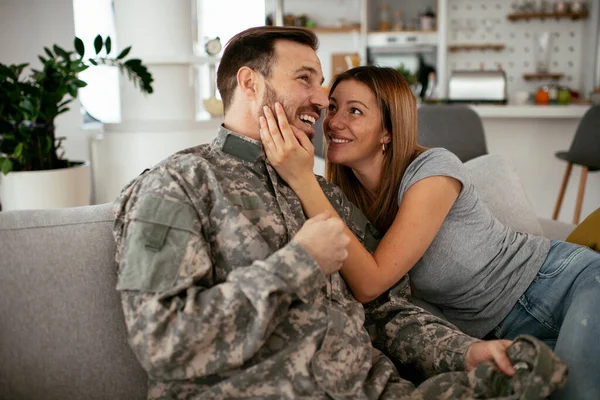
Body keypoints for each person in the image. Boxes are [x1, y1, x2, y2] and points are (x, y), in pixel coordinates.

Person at [113, 28, 566, 399]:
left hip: (374, 390)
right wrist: (299, 262)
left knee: (532, 374)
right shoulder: (180, 183)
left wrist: (465, 352)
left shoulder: (325, 195)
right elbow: (163, 343)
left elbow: (387, 310)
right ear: (250, 83)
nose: (322, 98)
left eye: (321, 82)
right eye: (305, 79)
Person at [259, 65, 598, 399]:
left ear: (387, 132)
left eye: (355, 111)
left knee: (577, 393)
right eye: (332, 107)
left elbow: (371, 283)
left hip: (561, 286)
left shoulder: (433, 170)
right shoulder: (345, 202)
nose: (333, 122)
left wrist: (302, 180)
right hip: (496, 332)